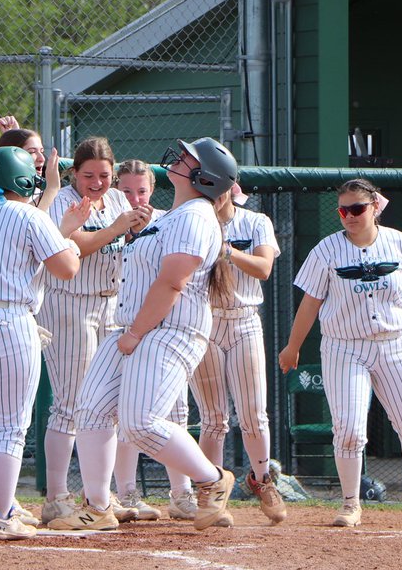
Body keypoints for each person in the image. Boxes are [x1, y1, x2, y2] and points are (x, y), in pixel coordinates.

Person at [49, 138, 239, 532]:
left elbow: (173, 282)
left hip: (168, 330)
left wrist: (135, 333)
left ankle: (212, 480)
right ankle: (98, 506)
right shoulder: (172, 215)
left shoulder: (196, 215)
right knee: (91, 409)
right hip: (133, 326)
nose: (180, 159)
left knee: (141, 423)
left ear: (204, 177)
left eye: (190, 159)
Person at [277, 178, 402, 527]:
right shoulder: (326, 250)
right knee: (348, 428)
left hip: (393, 343)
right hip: (345, 347)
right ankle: (350, 503)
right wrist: (292, 346)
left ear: (375, 206)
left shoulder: (398, 242)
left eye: (357, 208)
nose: (349, 216)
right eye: (343, 210)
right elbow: (310, 303)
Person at [0, 146, 88, 540]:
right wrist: (71, 238)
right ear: (23, 180)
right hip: (5, 321)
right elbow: (67, 268)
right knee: (8, 426)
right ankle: (3, 513)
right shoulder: (26, 213)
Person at [38, 138, 154, 525]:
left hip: (111, 304)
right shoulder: (64, 200)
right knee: (71, 404)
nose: (97, 182)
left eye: (104, 175)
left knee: (109, 406)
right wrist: (119, 228)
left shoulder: (120, 200)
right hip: (70, 302)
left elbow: (127, 243)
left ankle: (99, 496)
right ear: (74, 174)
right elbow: (73, 246)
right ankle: (56, 497)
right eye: (88, 174)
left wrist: (138, 228)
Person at [190, 182, 287, 523]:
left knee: (253, 414)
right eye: (207, 187)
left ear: (232, 188)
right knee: (214, 418)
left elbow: (263, 268)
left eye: (220, 187)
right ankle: (210, 492)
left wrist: (228, 250)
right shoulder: (193, 221)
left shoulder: (255, 220)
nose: (214, 195)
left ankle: (262, 481)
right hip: (206, 321)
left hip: (244, 320)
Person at [114, 158, 199, 520]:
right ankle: (127, 494)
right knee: (120, 413)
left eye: (142, 191)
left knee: (175, 410)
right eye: (127, 191)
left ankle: (182, 493)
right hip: (115, 324)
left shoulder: (168, 222)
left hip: (161, 327)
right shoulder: (108, 222)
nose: (135, 199)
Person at [0, 127, 60, 213]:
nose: (42, 158)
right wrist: (51, 189)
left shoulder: (38, 193)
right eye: (32, 152)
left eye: (42, 151)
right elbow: (21, 220)